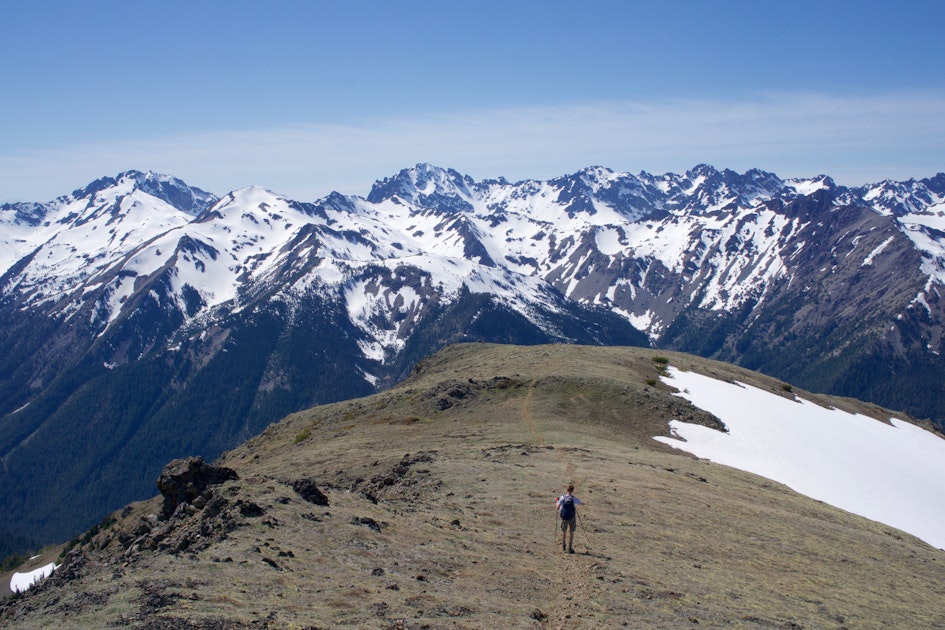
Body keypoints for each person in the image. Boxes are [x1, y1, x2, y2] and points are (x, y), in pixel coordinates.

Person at [556, 483, 583, 553]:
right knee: (571, 532)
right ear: (572, 490)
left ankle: (563, 546)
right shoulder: (574, 498)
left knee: (564, 532)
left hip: (564, 517)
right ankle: (570, 547)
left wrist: (557, 501)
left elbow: (557, 507)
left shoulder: (562, 497)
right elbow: (581, 503)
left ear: (566, 489)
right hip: (572, 517)